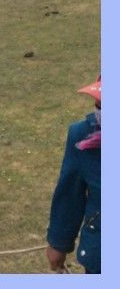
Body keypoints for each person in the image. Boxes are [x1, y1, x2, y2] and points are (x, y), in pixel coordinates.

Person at [48, 78, 101, 273]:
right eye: (98, 103)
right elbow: (70, 193)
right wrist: (59, 242)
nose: (99, 111)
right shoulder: (82, 134)